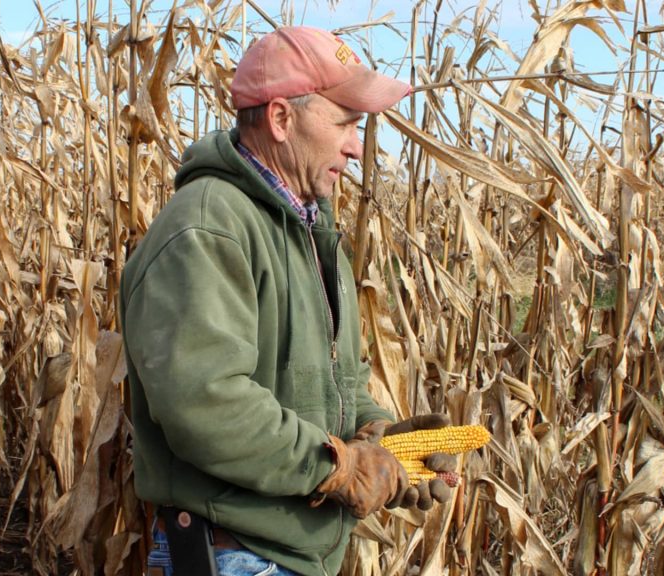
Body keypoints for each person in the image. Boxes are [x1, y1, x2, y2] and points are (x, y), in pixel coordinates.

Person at [120, 26, 456, 576]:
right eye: (345, 122)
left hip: (287, 557)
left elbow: (334, 384)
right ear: (281, 119)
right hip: (232, 557)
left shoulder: (310, 232)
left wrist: (385, 439)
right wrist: (341, 467)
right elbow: (206, 404)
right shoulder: (209, 227)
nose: (356, 144)